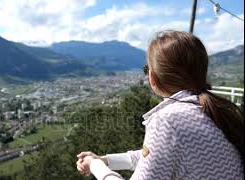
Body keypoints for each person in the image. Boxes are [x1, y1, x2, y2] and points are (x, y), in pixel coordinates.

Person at [76, 30, 244, 180]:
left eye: (146, 69)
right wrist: (104, 160)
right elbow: (158, 157)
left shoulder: (169, 120)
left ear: (152, 78)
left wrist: (94, 166)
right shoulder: (214, 110)